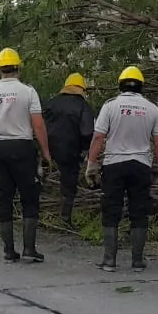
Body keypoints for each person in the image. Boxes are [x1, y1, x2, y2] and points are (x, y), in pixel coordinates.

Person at [85, 66, 158, 273]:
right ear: (141, 86)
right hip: (140, 167)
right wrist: (157, 166)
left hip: (114, 166)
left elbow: (99, 138)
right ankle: (137, 261)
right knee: (139, 211)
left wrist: (91, 164)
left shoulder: (110, 106)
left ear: (120, 84)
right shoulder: (152, 109)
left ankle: (109, 260)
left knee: (111, 211)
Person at [0, 47, 53, 263]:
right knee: (29, 198)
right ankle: (29, 248)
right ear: (18, 67)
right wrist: (46, 153)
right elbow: (38, 125)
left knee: (4, 199)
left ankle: (9, 251)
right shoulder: (28, 92)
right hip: (23, 148)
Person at [42, 73, 94, 228]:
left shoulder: (52, 103)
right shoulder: (83, 106)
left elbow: (40, 124)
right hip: (70, 151)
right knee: (68, 185)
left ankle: (34, 215)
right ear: (82, 89)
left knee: (39, 180)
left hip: (49, 149)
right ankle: (65, 219)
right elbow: (87, 132)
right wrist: (84, 150)